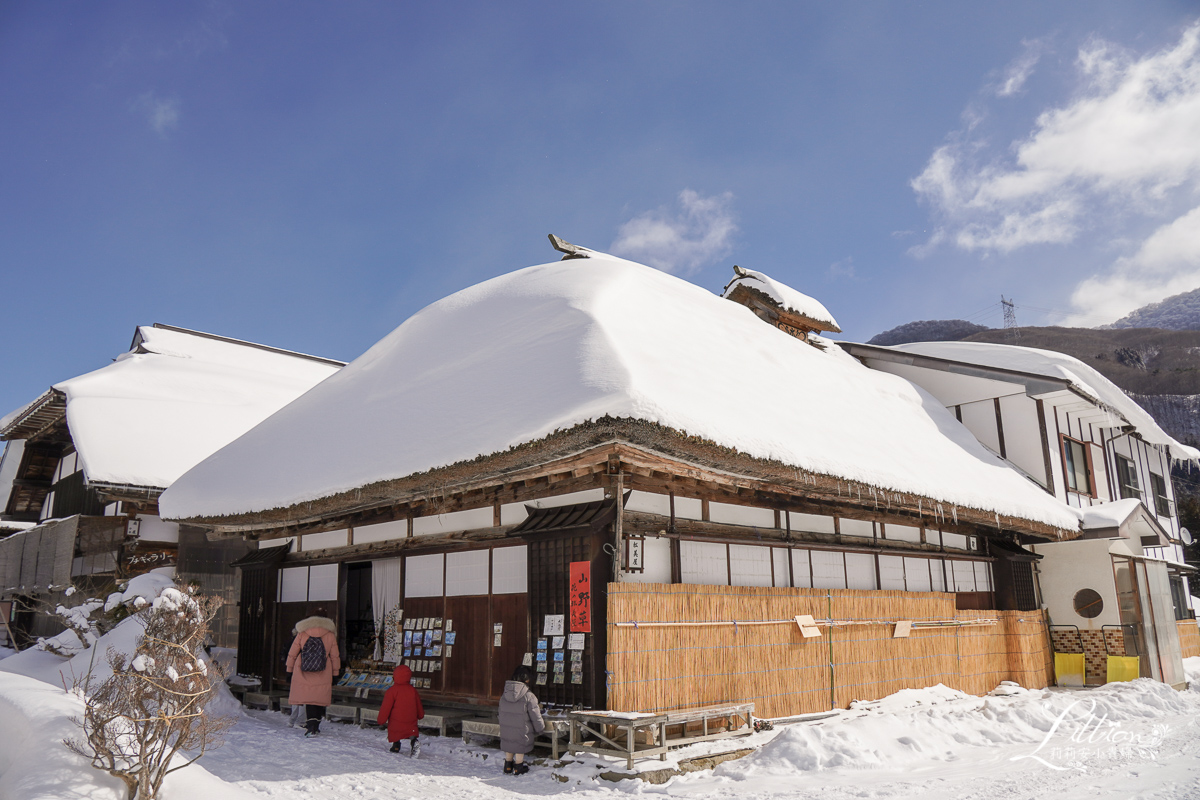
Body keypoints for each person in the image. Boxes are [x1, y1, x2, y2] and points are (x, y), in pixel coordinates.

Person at [285, 609, 340, 738]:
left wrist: (289, 670)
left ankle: (310, 728)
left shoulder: (302, 633)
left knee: (309, 699)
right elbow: (335, 656)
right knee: (319, 699)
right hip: (324, 670)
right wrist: (336, 673)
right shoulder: (330, 634)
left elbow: (292, 653)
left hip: (303, 669)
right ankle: (315, 726)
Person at [498, 665, 544, 775]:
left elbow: (500, 712)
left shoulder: (504, 694)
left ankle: (508, 766)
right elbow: (535, 715)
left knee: (510, 742)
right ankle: (519, 767)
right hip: (522, 729)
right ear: (527, 679)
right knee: (519, 744)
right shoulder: (528, 696)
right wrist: (540, 728)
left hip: (506, 727)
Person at [378, 663, 424, 757]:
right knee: (411, 732)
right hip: (410, 719)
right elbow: (418, 705)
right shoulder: (412, 690)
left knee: (395, 731)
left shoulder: (392, 691)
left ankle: (396, 745)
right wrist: (420, 715)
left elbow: (386, 707)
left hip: (396, 719)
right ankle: (414, 742)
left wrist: (381, 720)